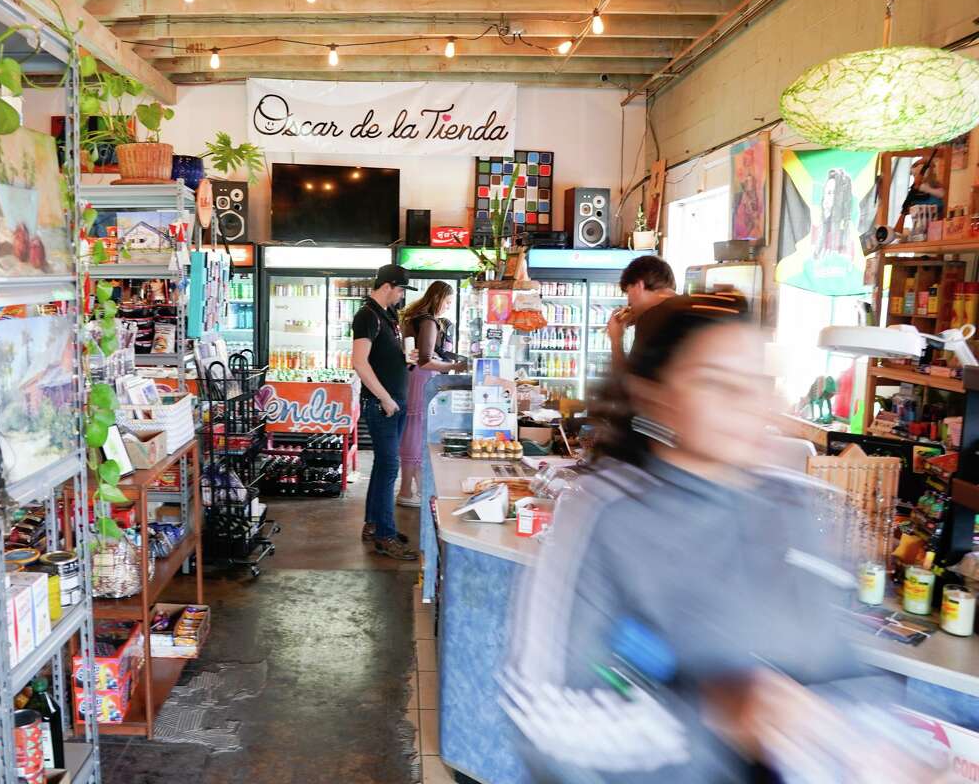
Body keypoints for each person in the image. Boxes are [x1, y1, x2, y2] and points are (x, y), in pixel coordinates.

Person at [503, 294, 937, 783]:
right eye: (715, 382)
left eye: (756, 383)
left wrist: (881, 744)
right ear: (654, 396)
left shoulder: (795, 506)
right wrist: (719, 714)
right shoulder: (603, 517)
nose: (746, 403)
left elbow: (843, 670)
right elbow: (543, 716)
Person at [352, 264, 418, 560]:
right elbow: (359, 362)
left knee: (383, 466)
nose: (402, 295)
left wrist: (406, 359)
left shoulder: (387, 315)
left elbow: (383, 358)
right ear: (388, 286)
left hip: (393, 403)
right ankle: (385, 535)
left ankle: (374, 523)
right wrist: (386, 399)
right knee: (389, 467)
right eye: (401, 289)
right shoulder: (367, 315)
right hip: (382, 405)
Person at [396, 281, 468, 507]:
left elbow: (413, 355)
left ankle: (414, 488)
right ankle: (406, 491)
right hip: (422, 379)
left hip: (411, 377)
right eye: (447, 301)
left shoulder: (414, 318)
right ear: (438, 298)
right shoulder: (428, 322)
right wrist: (455, 366)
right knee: (416, 432)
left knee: (414, 431)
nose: (448, 306)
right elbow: (426, 361)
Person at [607, 255, 676, 371]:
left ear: (639, 286)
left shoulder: (651, 320)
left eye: (628, 292)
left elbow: (624, 380)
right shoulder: (687, 307)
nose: (629, 301)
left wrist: (616, 340)